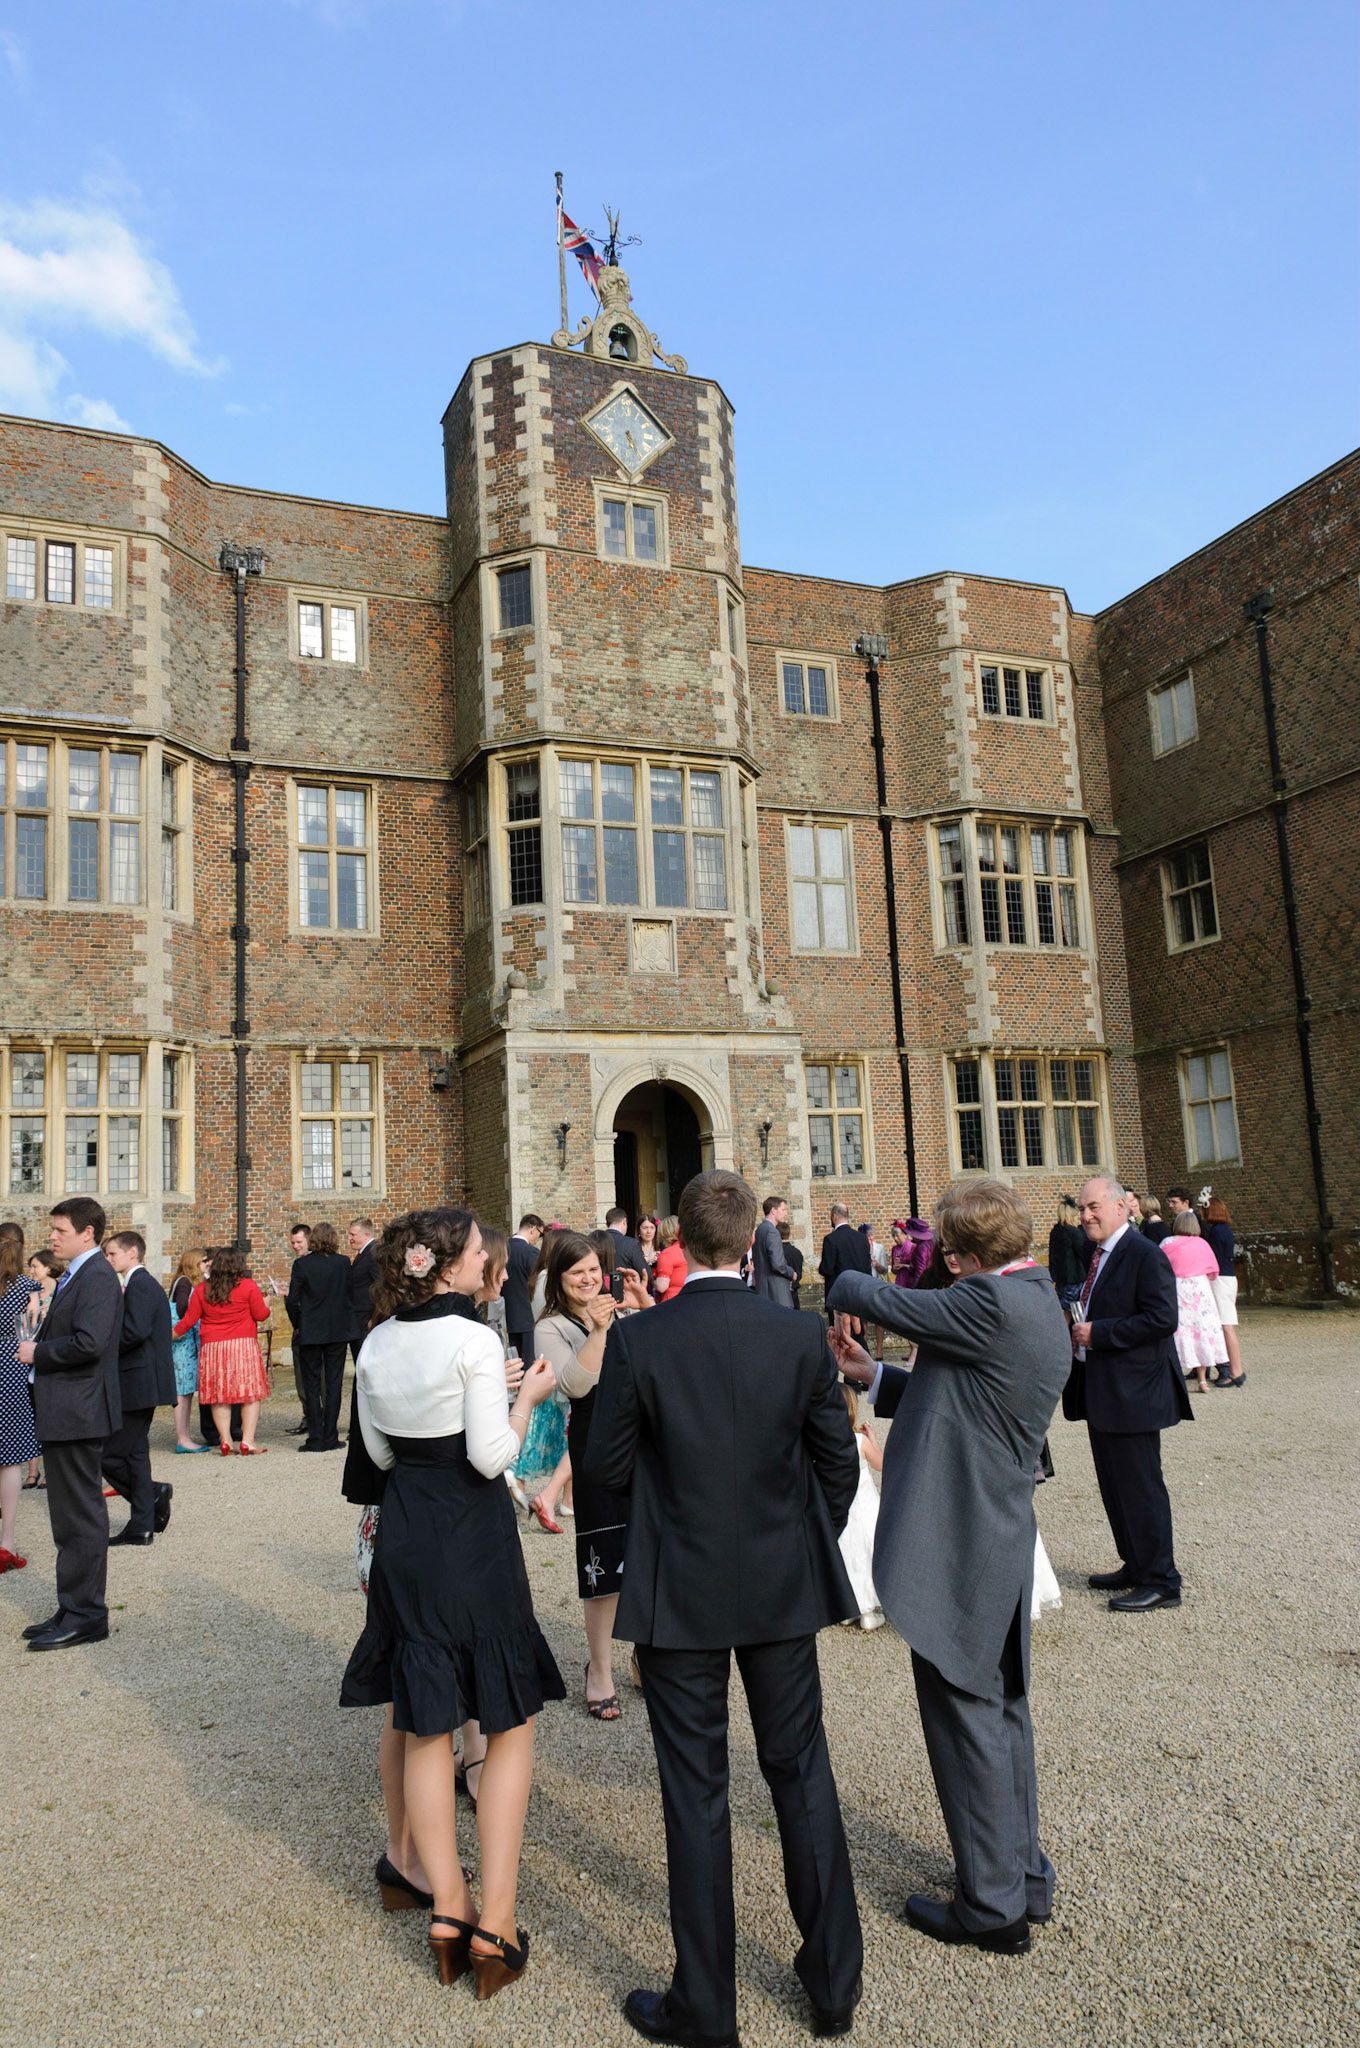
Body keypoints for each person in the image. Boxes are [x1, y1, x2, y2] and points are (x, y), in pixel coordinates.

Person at [585, 1168, 864, 2044]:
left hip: (680, 1590)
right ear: (753, 1242)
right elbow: (840, 1465)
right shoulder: (796, 1336)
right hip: (780, 1584)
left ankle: (707, 2008)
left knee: (696, 1792)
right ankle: (832, 1986)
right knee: (801, 1773)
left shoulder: (641, 1341)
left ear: (676, 1242)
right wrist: (797, 1534)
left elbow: (604, 1470)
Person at [827, 1177, 1071, 1956]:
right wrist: (877, 1377)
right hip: (996, 1530)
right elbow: (972, 1390)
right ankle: (1021, 1876)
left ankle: (991, 1906)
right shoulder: (1033, 1297)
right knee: (1001, 1714)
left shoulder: (986, 1302)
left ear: (964, 1258)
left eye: (946, 1251)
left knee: (965, 1717)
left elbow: (853, 1284)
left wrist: (867, 1262)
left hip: (963, 1540)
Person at [340, 1207, 564, 2000]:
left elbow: (374, 1453)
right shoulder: (473, 1337)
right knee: (506, 1720)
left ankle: (446, 1907)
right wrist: (527, 1398)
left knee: (424, 1718)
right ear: (445, 1265)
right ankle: (495, 1924)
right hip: (470, 1536)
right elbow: (491, 1453)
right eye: (477, 1252)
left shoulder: (375, 1343)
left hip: (406, 1532)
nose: (484, 1261)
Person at [533, 1231, 649, 1722]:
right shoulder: (552, 1328)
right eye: (575, 1271)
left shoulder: (619, 1311)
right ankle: (599, 1669)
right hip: (596, 1447)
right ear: (559, 1279)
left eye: (592, 1270)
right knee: (603, 1561)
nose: (587, 1278)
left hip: (643, 1443)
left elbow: (661, 1357)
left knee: (650, 1552)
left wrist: (646, 1308)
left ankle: (648, 1656)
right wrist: (600, 1331)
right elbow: (571, 1386)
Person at [1071, 1176, 1192, 1613]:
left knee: (1141, 1488)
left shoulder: (1143, 1254)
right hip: (1105, 1392)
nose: (1085, 1215)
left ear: (1123, 1207)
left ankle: (1162, 1580)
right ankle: (1136, 1564)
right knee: (1114, 1487)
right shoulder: (1098, 1253)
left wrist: (1097, 1333)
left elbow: (1162, 1319)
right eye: (1082, 1208)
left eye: (1094, 1207)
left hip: (1135, 1393)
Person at [16, 1197, 123, 1650]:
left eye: (61, 1230)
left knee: (80, 1515)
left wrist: (37, 1352)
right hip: (66, 1410)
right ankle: (72, 1604)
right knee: (66, 1515)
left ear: (88, 1233)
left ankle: (86, 1615)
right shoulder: (78, 1274)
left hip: (79, 1412)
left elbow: (90, 1343)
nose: (52, 1237)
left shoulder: (96, 1275)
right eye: (53, 1229)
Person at [101, 1232, 177, 1545]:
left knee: (108, 1455)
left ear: (133, 1253)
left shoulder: (141, 1284)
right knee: (134, 1454)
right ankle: (142, 1525)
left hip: (138, 1382)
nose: (108, 1260)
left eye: (112, 1254)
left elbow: (134, 1331)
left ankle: (151, 1496)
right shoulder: (137, 1284)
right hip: (138, 1381)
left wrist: (99, 1347)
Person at [174, 1247, 272, 1455]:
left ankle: (225, 1440)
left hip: (213, 1347)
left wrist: (168, 1336)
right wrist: (267, 1304)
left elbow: (188, 1321)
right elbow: (261, 1315)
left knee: (219, 1396)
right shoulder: (248, 1286)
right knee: (250, 1394)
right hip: (242, 1345)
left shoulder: (202, 1289)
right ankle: (248, 1440)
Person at [286, 1221, 353, 1452]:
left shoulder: (302, 1264)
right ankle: (331, 1436)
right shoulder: (343, 1263)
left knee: (312, 1385)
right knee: (334, 1385)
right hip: (337, 1331)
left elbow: (292, 1300)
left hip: (311, 1332)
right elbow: (348, 1295)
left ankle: (315, 1438)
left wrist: (299, 1324)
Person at [0, 1224, 39, 1573]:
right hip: (10, 1374)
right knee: (9, 1460)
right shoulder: (27, 1288)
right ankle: (6, 1542)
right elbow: (31, 1332)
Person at [1160, 1211, 1227, 1395]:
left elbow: (1159, 1265)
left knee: (1180, 1331)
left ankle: (1175, 1375)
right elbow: (1213, 1271)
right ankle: (1203, 1379)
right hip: (1200, 1290)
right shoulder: (1202, 1244)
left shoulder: (1168, 1243)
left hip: (1179, 1288)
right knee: (1202, 1331)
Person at [837, 1382, 884, 1630]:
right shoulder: (860, 1441)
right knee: (868, 1553)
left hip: (841, 1510)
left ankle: (848, 1607)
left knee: (848, 1554)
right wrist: (874, 1440)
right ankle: (868, 1611)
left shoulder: (824, 1441)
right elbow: (881, 1465)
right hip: (864, 1508)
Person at [167, 1247, 210, 1452]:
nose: (206, 1264)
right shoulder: (184, 1282)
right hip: (182, 1345)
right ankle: (182, 1438)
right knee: (182, 1393)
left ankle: (184, 1436)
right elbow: (184, 1309)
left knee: (186, 1392)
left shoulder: (187, 1282)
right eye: (203, 1261)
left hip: (187, 1344)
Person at [1201, 1196, 1245, 1387]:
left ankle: (1236, 1371)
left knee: (1226, 1326)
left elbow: (1214, 1259)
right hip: (1228, 1278)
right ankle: (1233, 1369)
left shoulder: (1217, 1232)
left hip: (1221, 1279)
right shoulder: (1224, 1230)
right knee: (1225, 1325)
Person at [275, 1223, 311, 1434]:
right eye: (293, 1243)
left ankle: (316, 1418)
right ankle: (308, 1416)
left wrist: (293, 1297)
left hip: (308, 1327)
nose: (295, 1246)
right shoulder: (299, 1263)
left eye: (299, 1242)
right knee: (301, 1378)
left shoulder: (312, 1264)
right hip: (300, 1327)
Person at [503, 1214, 544, 1364]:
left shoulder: (503, 1248)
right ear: (533, 1229)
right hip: (529, 1317)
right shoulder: (531, 1252)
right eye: (539, 1235)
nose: (538, 1240)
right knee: (529, 1364)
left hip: (506, 1316)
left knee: (513, 1363)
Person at [818, 1201, 872, 1310]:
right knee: (858, 1326)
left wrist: (820, 1269)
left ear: (834, 1216)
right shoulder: (862, 1238)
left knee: (840, 1326)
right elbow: (867, 1267)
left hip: (838, 1294)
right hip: (859, 1292)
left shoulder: (831, 1239)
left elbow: (827, 1269)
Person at [1047, 1194, 1095, 1310]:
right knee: (1076, 1312)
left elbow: (1052, 1256)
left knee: (1065, 1310)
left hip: (1061, 1279)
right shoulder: (1074, 1233)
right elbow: (1083, 1254)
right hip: (1074, 1279)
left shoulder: (1055, 1231)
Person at [751, 1193, 798, 1306]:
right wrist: (792, 1273)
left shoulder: (760, 1230)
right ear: (773, 1211)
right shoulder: (772, 1232)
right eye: (783, 1209)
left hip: (763, 1290)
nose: (786, 1213)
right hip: (776, 1292)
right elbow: (778, 1264)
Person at [603, 1206, 648, 1281]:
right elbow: (644, 1272)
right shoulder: (632, 1244)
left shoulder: (593, 1241)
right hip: (624, 1289)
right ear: (624, 1221)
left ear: (607, 1224)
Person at [889, 1218, 935, 1290]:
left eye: (897, 1235)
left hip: (918, 1284)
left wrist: (914, 1290)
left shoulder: (919, 1247)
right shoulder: (929, 1243)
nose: (895, 1238)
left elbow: (920, 1272)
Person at [651, 1215, 686, 1303]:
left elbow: (662, 1286)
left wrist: (651, 1280)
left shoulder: (668, 1253)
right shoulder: (690, 1250)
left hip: (672, 1302)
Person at [777, 1219, 804, 1310]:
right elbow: (799, 1273)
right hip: (793, 1292)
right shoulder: (797, 1252)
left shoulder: (775, 1252)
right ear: (790, 1234)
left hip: (778, 1293)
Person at [636, 1214, 660, 1291]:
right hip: (640, 1290)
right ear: (639, 1230)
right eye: (645, 1228)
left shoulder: (662, 1248)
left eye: (652, 1227)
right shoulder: (633, 1249)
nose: (649, 1231)